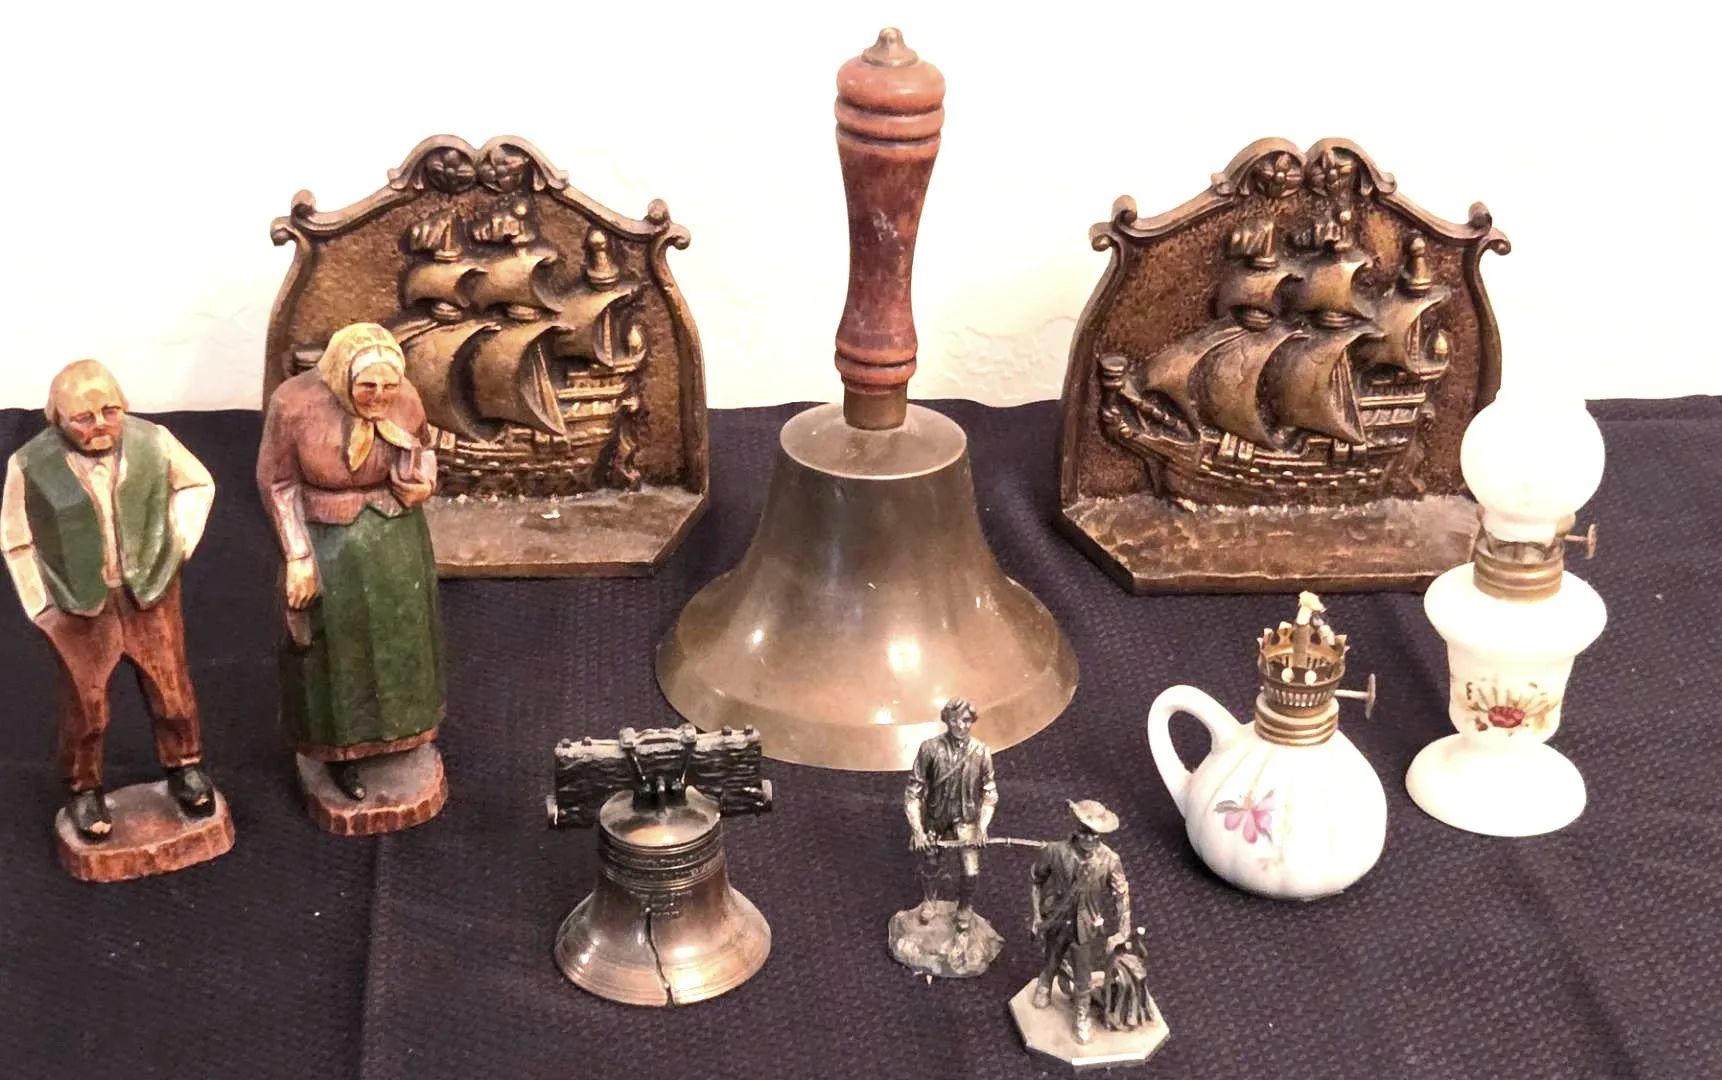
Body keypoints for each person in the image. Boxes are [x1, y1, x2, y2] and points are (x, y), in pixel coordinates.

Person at [1, 360, 217, 839]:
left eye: (110, 411)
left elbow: (197, 485)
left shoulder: (155, 441)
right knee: (87, 707)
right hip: (77, 606)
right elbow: (17, 539)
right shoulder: (29, 463)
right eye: (83, 417)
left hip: (150, 596)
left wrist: (176, 543)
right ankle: (84, 788)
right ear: (56, 418)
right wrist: (42, 607)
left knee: (172, 692)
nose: (100, 424)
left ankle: (185, 767)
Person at [256, 323, 444, 801]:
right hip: (330, 544)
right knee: (335, 648)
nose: (379, 397)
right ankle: (342, 751)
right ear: (344, 377)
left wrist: (422, 481)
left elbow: (424, 447)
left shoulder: (405, 398)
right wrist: (298, 555)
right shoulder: (294, 405)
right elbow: (278, 483)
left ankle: (403, 731)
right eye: (367, 386)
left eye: (388, 386)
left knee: (403, 638)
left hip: (395, 542)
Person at [1030, 799, 1132, 1045]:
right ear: (1076, 829)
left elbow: (1121, 894)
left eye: (1095, 835)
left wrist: (1123, 929)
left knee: (1083, 972)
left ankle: (1082, 1013)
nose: (1090, 839)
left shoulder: (1110, 860)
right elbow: (1036, 881)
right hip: (1056, 917)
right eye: (1085, 833)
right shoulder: (1055, 851)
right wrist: (1036, 915)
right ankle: (1045, 983)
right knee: (1052, 957)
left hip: (1085, 925)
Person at [904, 698, 997, 931]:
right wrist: (917, 830)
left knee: (971, 871)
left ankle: (965, 907)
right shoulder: (929, 748)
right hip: (935, 817)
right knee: (931, 862)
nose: (960, 726)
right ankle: (929, 900)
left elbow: (990, 794)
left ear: (972, 721)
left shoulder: (981, 752)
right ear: (946, 720)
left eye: (966, 720)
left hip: (966, 819)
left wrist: (982, 828)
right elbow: (913, 793)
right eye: (954, 720)